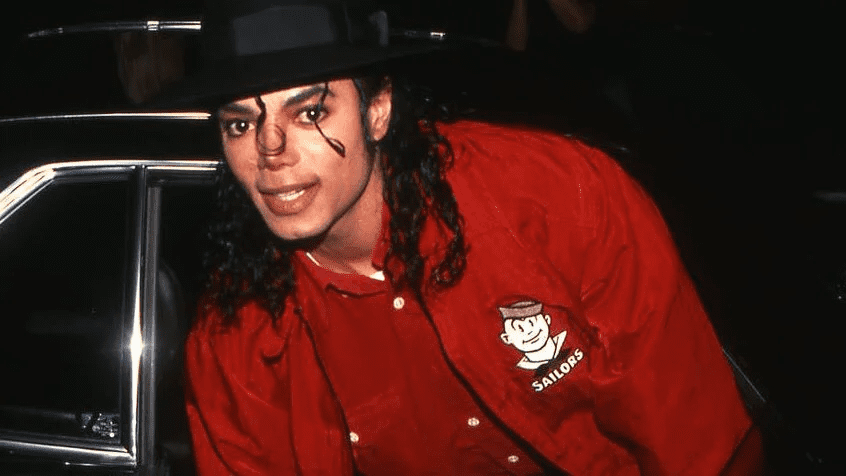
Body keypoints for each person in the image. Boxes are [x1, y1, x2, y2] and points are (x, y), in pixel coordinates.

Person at [168, 1, 766, 474]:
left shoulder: (559, 201)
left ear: (378, 109)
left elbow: (696, 444)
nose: (270, 149)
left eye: (310, 112)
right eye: (241, 123)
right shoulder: (239, 339)